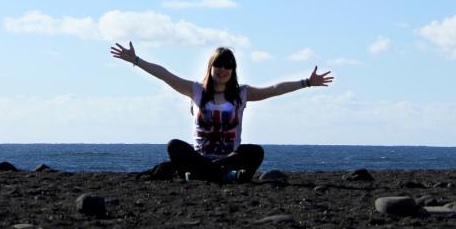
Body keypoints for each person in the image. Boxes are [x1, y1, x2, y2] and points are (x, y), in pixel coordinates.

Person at [110, 41, 333, 183]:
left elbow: (274, 89)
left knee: (255, 152)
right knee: (174, 146)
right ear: (211, 67)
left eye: (228, 66)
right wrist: (136, 60)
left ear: (233, 70)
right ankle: (212, 174)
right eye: (219, 65)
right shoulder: (195, 90)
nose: (223, 70)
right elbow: (165, 75)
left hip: (228, 159)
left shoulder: (241, 94)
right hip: (200, 158)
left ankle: (208, 174)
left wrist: (306, 82)